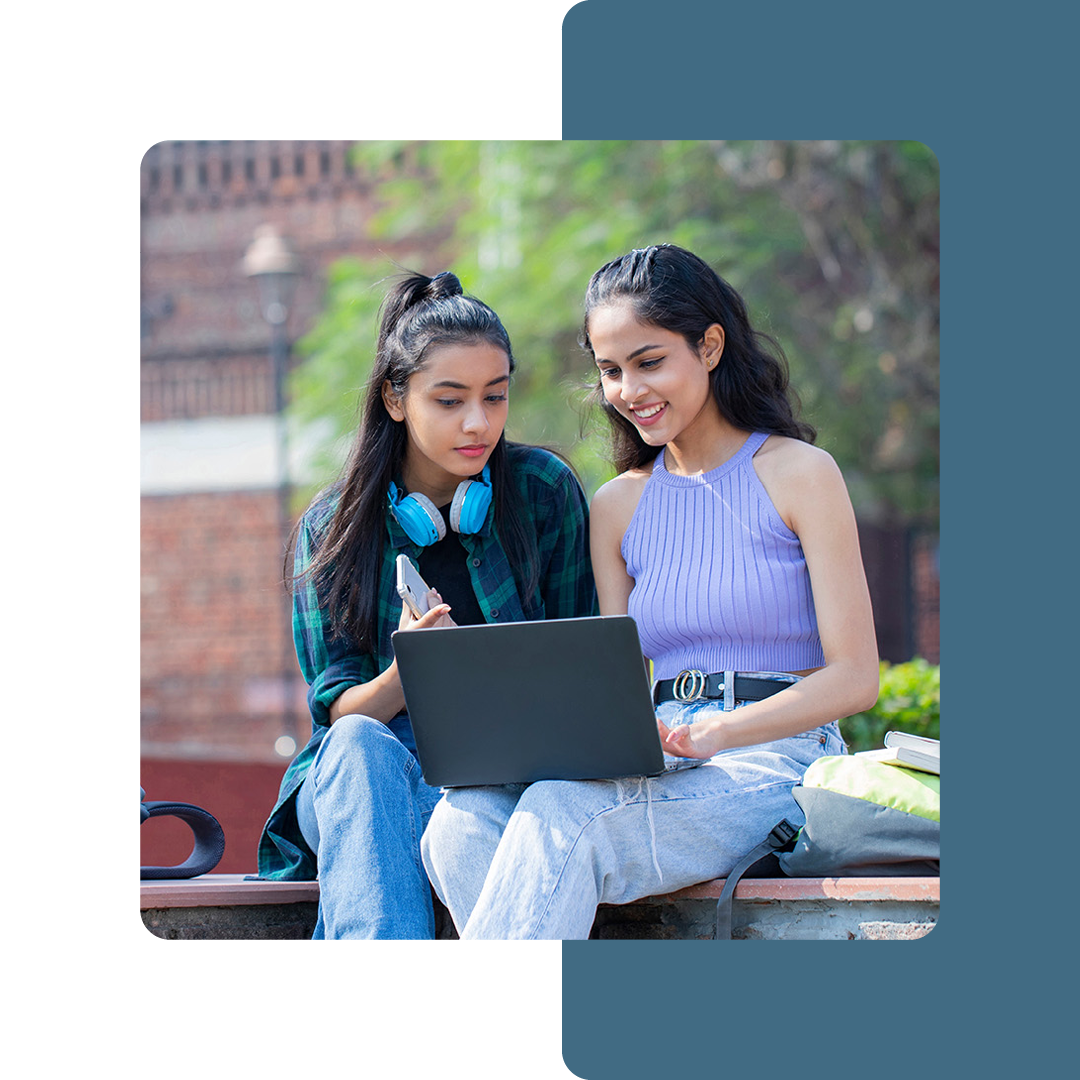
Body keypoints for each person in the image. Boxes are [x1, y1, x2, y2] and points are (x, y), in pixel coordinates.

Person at [421, 243, 880, 940]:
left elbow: (856, 678)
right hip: (660, 755)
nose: (628, 389)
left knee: (563, 816)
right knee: (459, 822)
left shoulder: (800, 474)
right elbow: (612, 678)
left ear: (711, 346)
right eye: (610, 370)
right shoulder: (617, 506)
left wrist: (721, 731)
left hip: (777, 758)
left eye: (649, 361)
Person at [257, 270, 596, 939]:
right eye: (450, 400)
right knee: (358, 740)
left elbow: (581, 665)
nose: (479, 423)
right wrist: (410, 667)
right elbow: (338, 712)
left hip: (503, 773)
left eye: (495, 398)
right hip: (370, 781)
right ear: (395, 397)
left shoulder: (543, 493)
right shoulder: (334, 528)